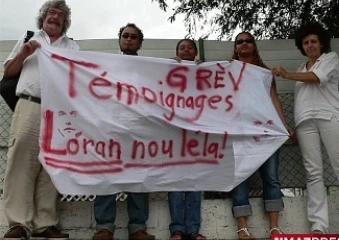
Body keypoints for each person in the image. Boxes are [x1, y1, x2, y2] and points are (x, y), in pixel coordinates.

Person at [272, 22, 339, 236]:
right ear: (301, 47)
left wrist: (286, 74)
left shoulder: (330, 59)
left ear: (322, 43)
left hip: (331, 118)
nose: (310, 45)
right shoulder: (302, 68)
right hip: (305, 122)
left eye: (313, 41)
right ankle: (319, 226)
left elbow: (316, 78)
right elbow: (303, 94)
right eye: (305, 43)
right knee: (313, 174)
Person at [2, 0, 79, 239]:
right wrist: (24, 53)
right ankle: (18, 224)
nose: (54, 17)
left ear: (65, 22)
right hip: (30, 104)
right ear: (43, 18)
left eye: (60, 15)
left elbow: (78, 78)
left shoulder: (73, 46)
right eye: (50, 13)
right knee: (21, 163)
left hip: (59, 111)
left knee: (51, 166)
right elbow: (8, 73)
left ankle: (45, 223)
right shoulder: (28, 39)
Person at [92, 23, 155, 240]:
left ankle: (137, 228)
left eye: (134, 37)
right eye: (125, 36)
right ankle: (104, 227)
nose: (129, 39)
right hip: (111, 128)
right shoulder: (107, 66)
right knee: (107, 176)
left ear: (140, 42)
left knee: (138, 178)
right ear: (119, 39)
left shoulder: (150, 67)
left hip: (139, 130)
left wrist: (178, 67)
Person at [229, 31, 295, 240]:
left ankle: (274, 227)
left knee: (271, 177)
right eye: (240, 42)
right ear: (235, 47)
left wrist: (283, 124)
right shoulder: (228, 71)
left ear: (254, 45)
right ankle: (242, 228)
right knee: (240, 177)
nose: (244, 44)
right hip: (239, 131)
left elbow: (274, 99)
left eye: (248, 41)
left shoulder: (265, 73)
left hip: (266, 131)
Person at [167, 39, 206, 240]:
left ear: (196, 52)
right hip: (173, 134)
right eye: (182, 48)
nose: (186, 50)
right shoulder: (168, 70)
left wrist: (205, 69)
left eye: (190, 47)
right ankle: (177, 230)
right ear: (177, 52)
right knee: (175, 182)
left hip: (195, 135)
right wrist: (167, 66)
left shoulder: (203, 71)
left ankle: (193, 229)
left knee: (194, 181)